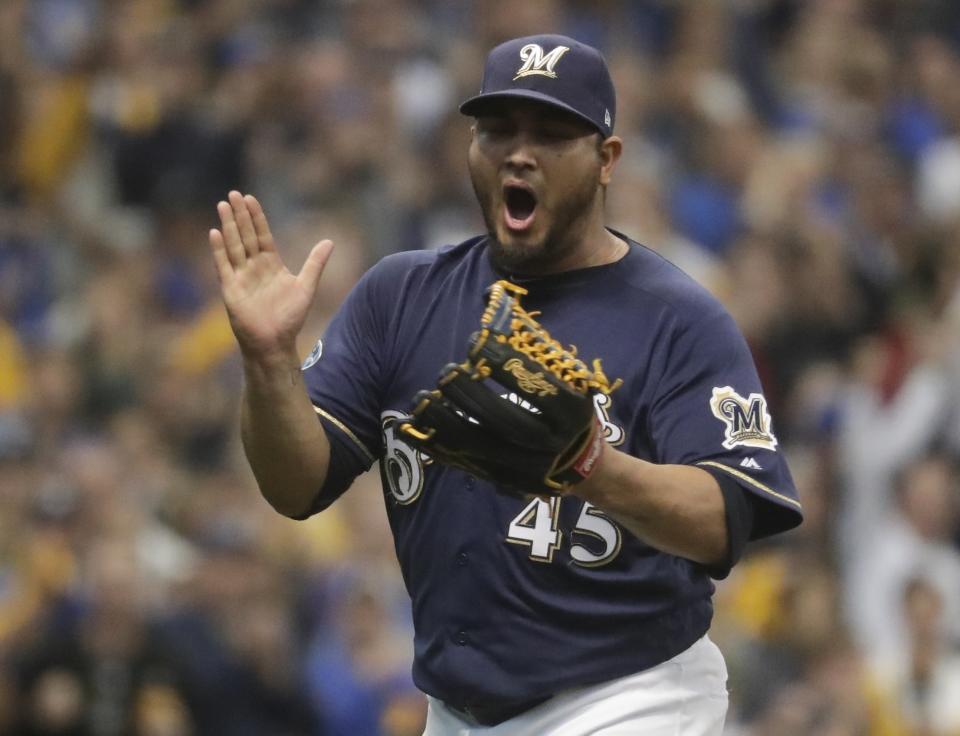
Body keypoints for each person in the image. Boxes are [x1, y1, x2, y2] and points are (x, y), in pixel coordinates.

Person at [208, 33, 803, 736]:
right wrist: (270, 362)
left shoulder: (677, 319)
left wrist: (593, 468)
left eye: (551, 133)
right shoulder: (400, 298)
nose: (519, 152)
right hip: (455, 711)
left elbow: (726, 520)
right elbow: (294, 486)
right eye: (497, 130)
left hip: (628, 697)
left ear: (606, 160)